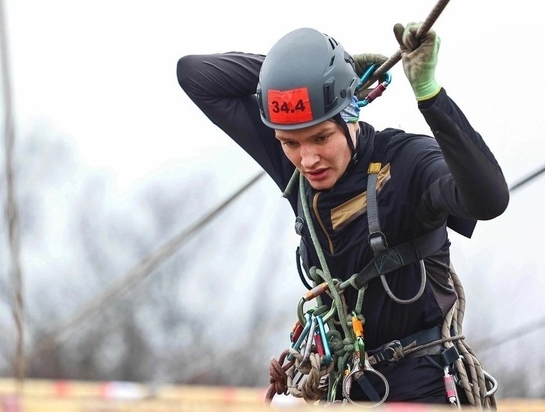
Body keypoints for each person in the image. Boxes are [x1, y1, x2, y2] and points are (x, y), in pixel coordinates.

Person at [176, 22, 509, 407]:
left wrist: (429, 96)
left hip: (425, 384)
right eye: (289, 143)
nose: (308, 159)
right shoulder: (297, 173)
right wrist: (328, 73)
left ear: (351, 114)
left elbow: (489, 201)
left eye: (321, 137)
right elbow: (195, 75)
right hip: (349, 386)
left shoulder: (407, 163)